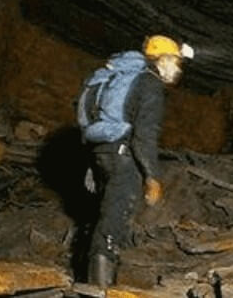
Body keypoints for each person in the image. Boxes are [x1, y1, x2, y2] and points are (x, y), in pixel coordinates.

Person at [76, 35, 194, 287]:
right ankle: (100, 288)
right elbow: (144, 136)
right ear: (161, 60)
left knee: (103, 215)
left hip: (101, 153)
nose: (177, 69)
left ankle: (100, 280)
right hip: (124, 157)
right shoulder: (148, 83)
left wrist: (91, 163)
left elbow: (90, 120)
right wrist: (152, 176)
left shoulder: (109, 78)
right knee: (114, 219)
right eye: (175, 62)